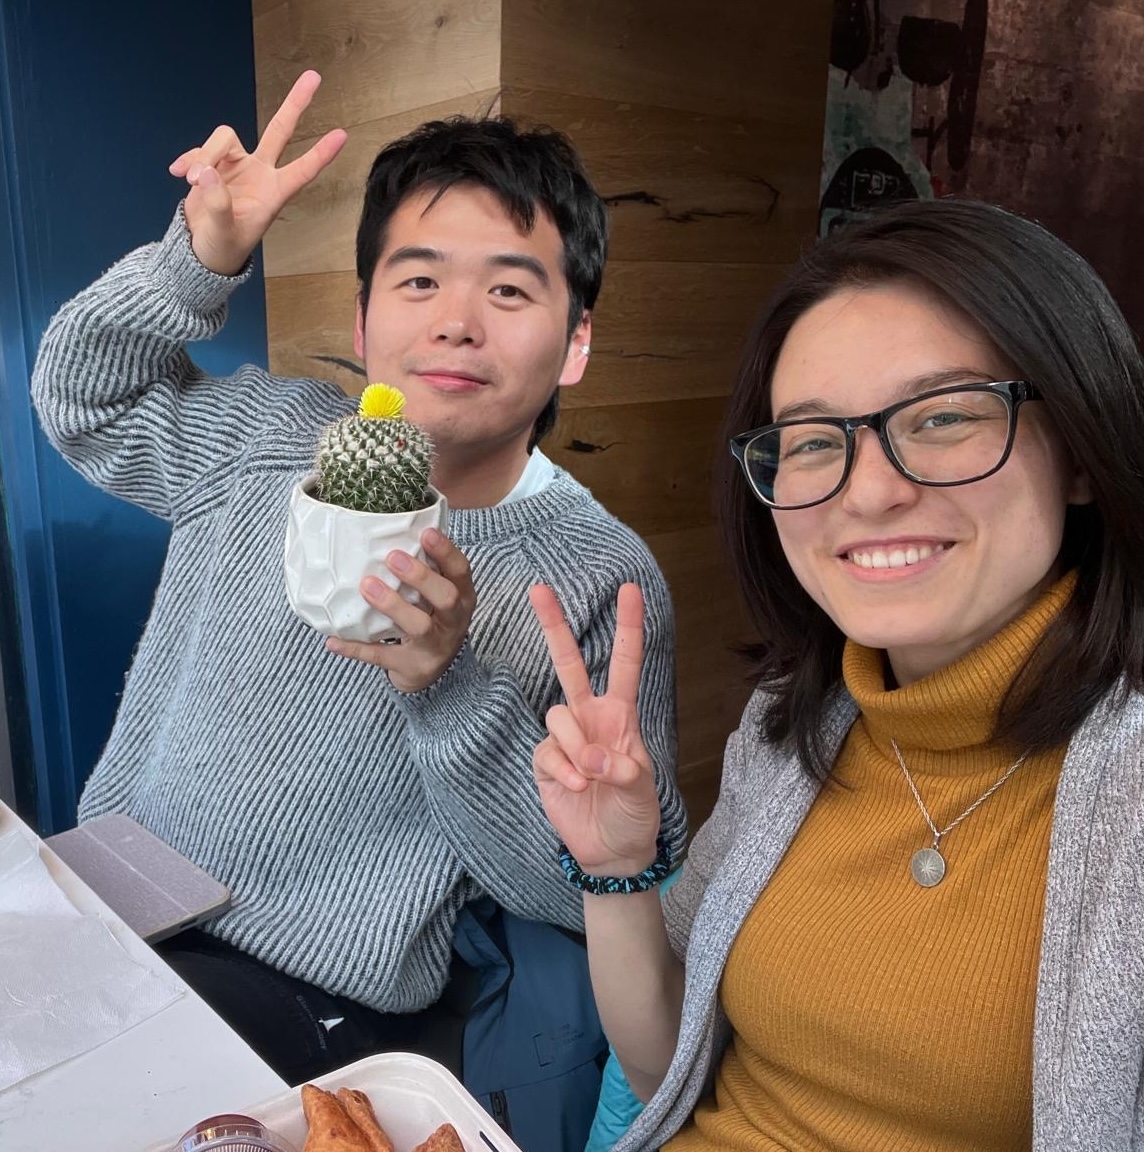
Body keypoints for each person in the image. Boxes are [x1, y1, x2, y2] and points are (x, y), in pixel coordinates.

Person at [30, 70, 687, 1093]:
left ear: (577, 342)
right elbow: (81, 398)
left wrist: (443, 685)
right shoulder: (268, 435)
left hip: (314, 991)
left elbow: (577, 887)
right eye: (419, 281)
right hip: (110, 889)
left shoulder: (597, 576)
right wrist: (195, 262)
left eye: (510, 290)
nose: (457, 322)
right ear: (364, 314)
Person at [530, 196, 1144, 1151]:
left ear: (1077, 449)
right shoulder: (791, 724)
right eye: (815, 441)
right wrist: (615, 871)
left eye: (944, 416)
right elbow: (665, 1071)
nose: (871, 490)